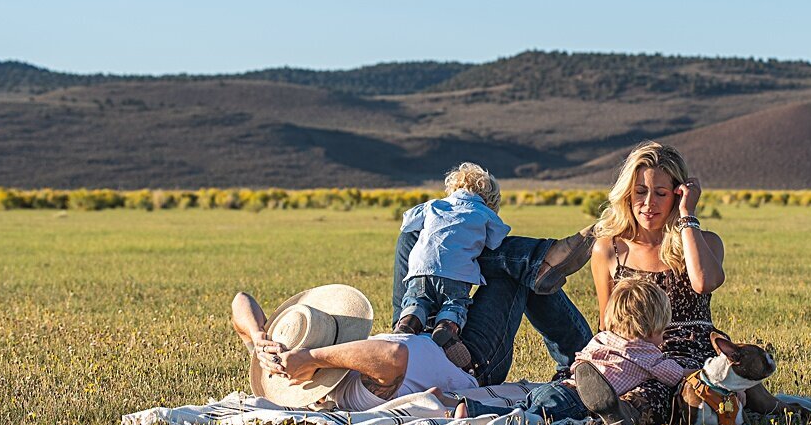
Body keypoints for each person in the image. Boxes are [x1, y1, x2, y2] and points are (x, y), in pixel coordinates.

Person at [588, 141, 797, 425]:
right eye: (640, 192)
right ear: (626, 194)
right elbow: (607, 323)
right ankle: (606, 407)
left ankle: (620, 415)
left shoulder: (704, 242)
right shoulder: (608, 248)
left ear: (677, 195)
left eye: (661, 193)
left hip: (695, 352)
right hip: (640, 353)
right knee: (625, 385)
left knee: (674, 391)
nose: (649, 204)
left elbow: (704, 283)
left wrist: (687, 216)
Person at [388, 214, 597, 387]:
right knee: (514, 271)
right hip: (465, 364)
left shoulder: (360, 363)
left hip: (409, 341)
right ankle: (538, 261)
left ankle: (537, 261)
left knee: (419, 234)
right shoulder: (365, 381)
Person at [453, 276, 687, 423]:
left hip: (560, 386)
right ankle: (471, 412)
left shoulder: (604, 338)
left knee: (523, 408)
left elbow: (579, 360)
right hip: (576, 399)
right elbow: (676, 376)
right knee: (529, 420)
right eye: (662, 330)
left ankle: (471, 409)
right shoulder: (647, 355)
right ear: (652, 328)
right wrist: (697, 371)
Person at [233, 284, 478, 410]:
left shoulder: (275, 359)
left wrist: (258, 338)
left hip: (410, 330)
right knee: (509, 261)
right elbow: (393, 355)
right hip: (466, 357)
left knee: (415, 231)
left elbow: (241, 299)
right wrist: (312, 358)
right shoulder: (350, 394)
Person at [393, 162, 509, 348]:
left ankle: (407, 323)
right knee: (453, 304)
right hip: (456, 274)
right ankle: (447, 328)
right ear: (491, 200)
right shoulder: (484, 212)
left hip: (421, 269)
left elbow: (407, 223)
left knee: (417, 300)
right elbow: (497, 240)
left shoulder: (434, 205)